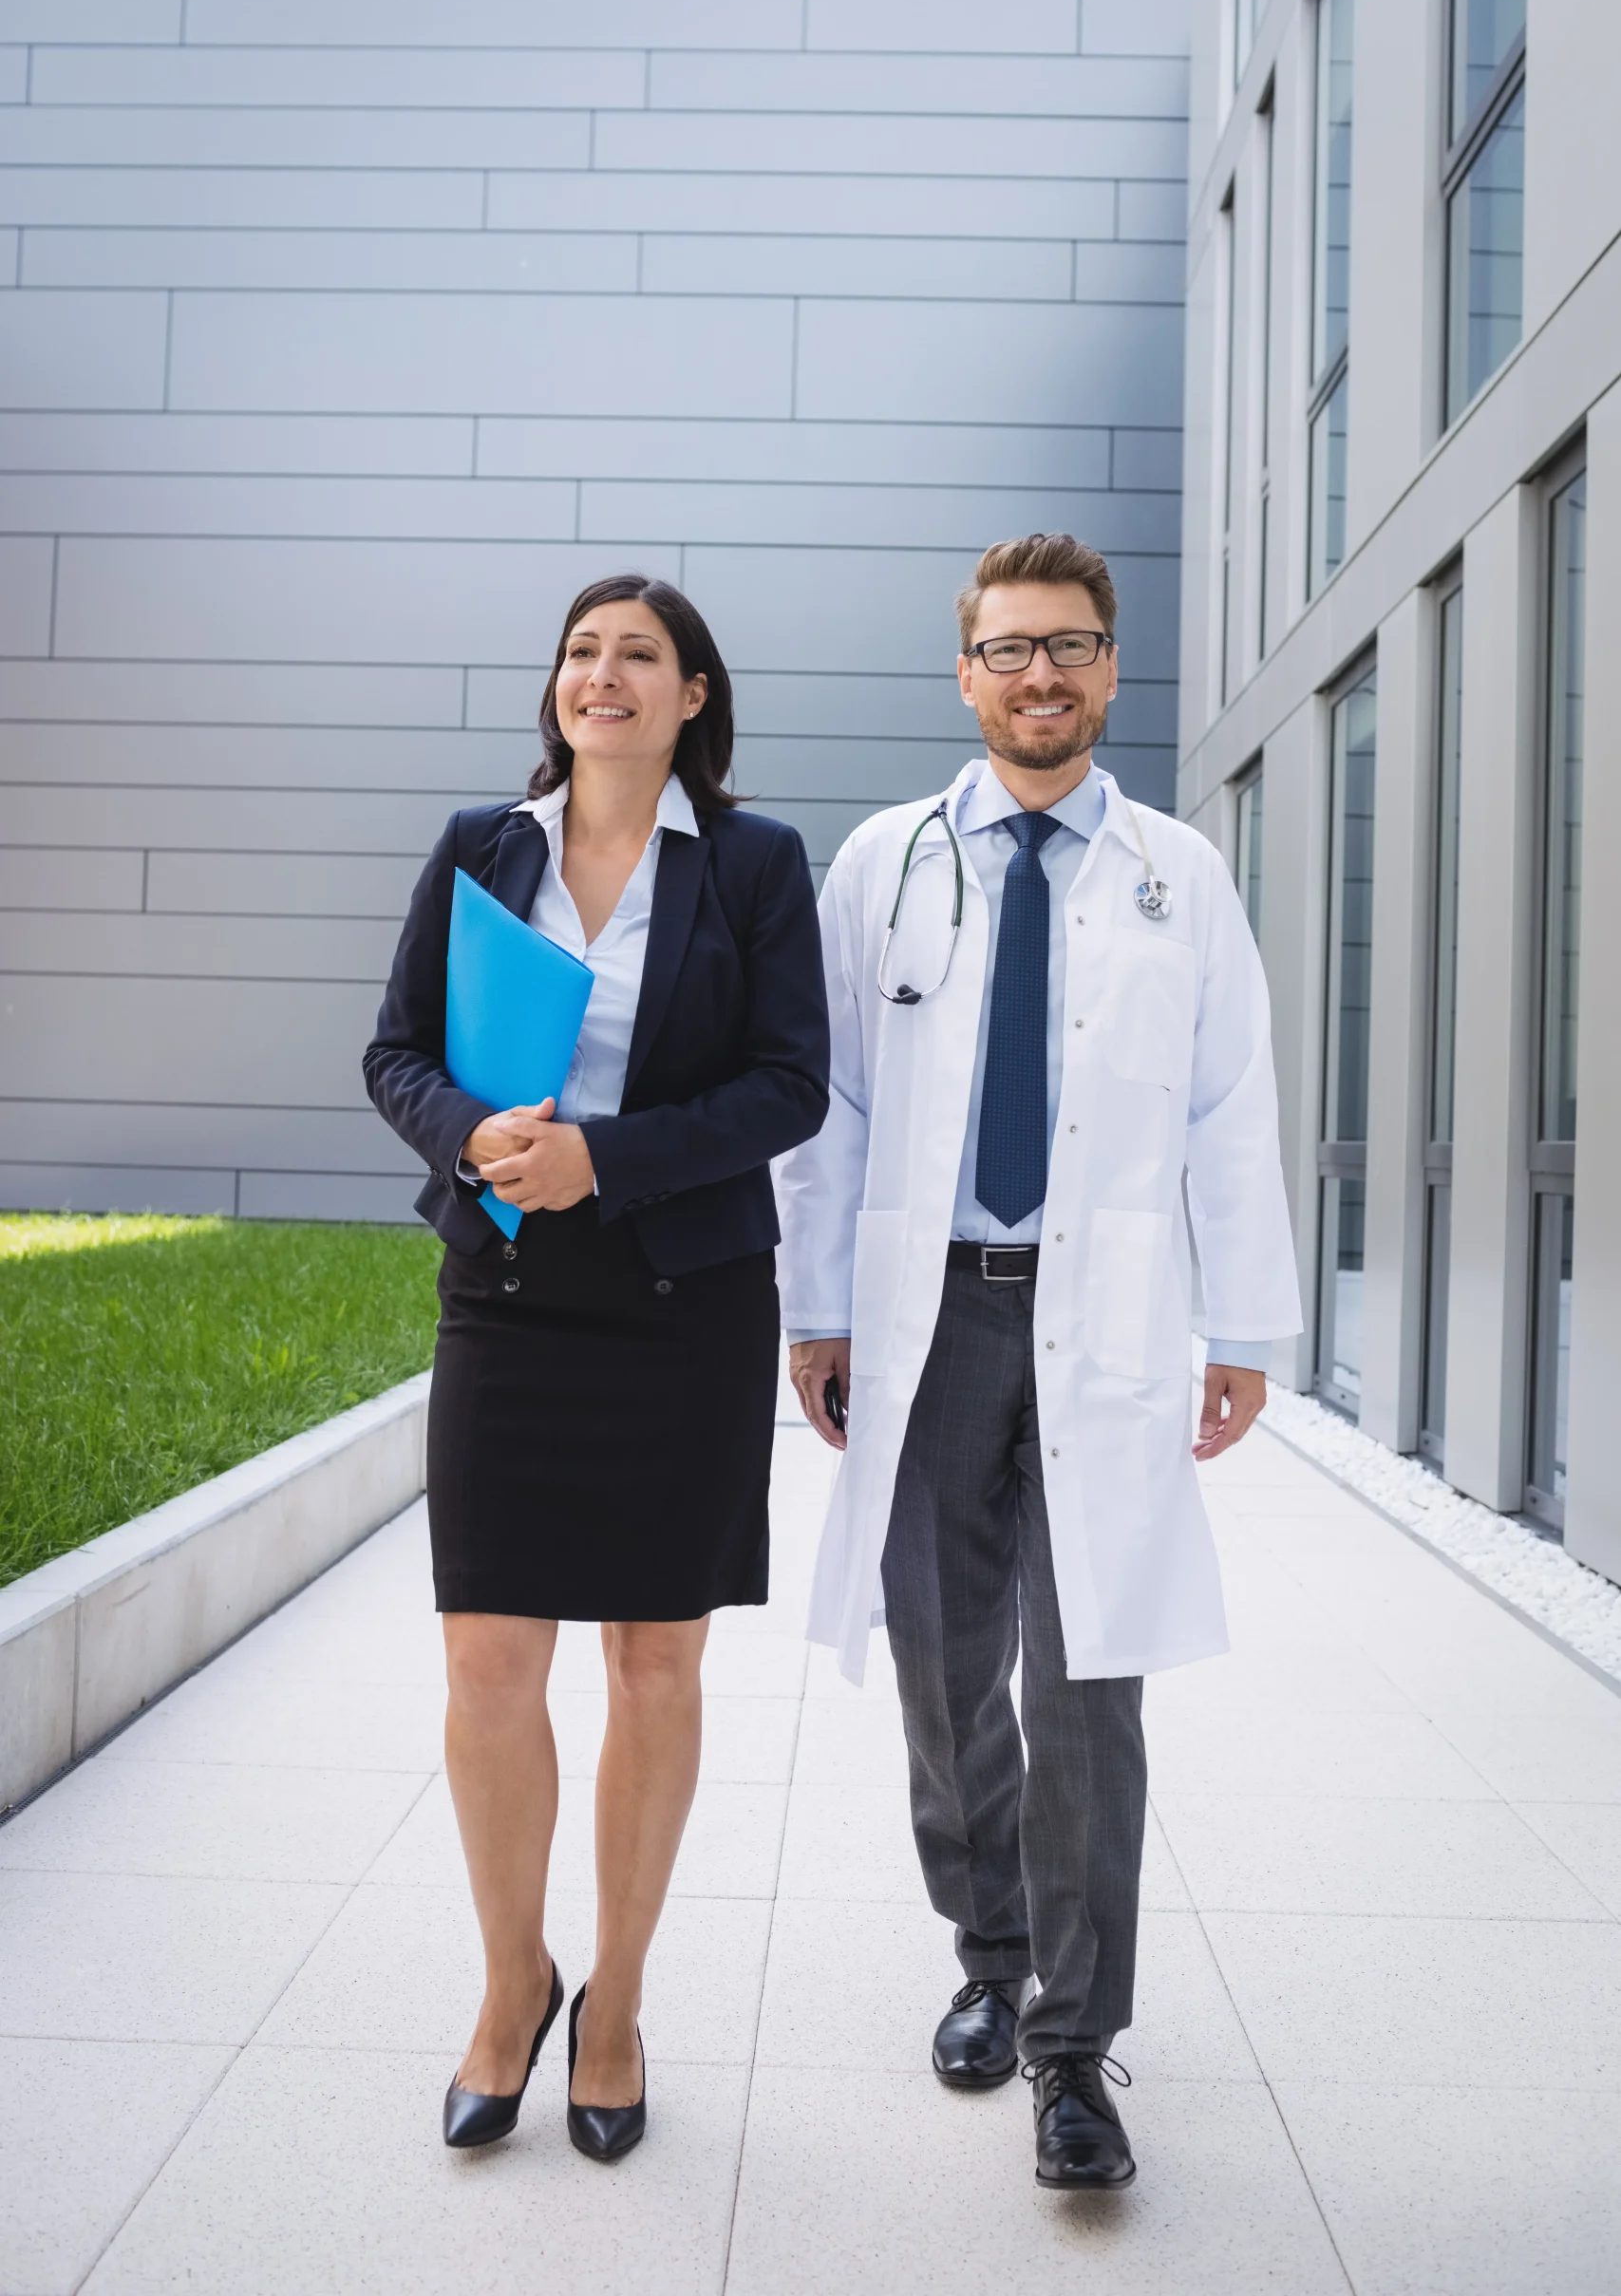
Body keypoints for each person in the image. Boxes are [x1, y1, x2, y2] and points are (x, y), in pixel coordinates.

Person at [776, 533, 1301, 2192]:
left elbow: (1232, 1108)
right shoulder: (885, 862)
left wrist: (1247, 1328)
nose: (1040, 676)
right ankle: (988, 1958)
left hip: (1114, 1321)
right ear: (965, 673)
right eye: (1008, 649)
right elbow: (832, 1110)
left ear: (1109, 670)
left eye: (1069, 646)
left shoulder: (1176, 875)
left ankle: (1074, 2047)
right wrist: (817, 1306)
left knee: (1088, 1681)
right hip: (927, 1315)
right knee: (942, 1664)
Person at [365, 574, 829, 2162]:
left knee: (654, 1664)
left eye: (640, 655)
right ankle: (515, 1986)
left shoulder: (757, 864)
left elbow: (790, 1089)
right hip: (501, 1288)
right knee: (488, 1663)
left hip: (682, 1303)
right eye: (581, 652)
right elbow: (392, 1053)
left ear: (694, 695)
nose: (603, 676)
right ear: (554, 687)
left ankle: (615, 2002)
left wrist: (604, 1160)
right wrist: (471, 1135)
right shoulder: (479, 847)